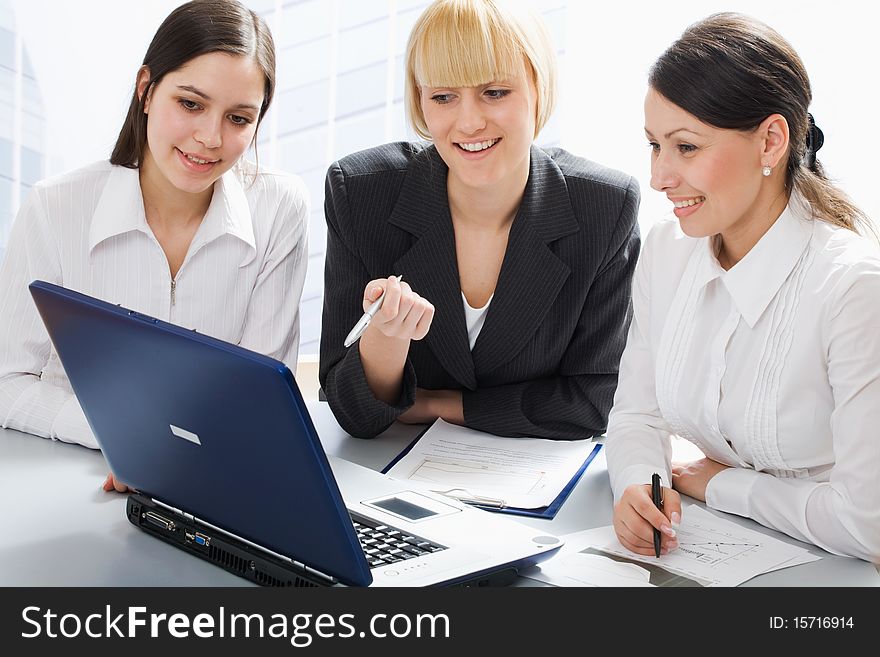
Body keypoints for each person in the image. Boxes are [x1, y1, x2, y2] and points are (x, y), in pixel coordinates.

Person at [606, 13, 880, 562]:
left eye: (686, 147)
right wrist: (638, 482)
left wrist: (718, 484)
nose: (659, 176)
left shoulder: (853, 289)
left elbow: (868, 525)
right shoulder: (667, 249)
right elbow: (637, 414)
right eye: (654, 145)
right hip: (711, 552)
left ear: (771, 142)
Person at [0, 0, 309, 480]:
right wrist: (123, 436)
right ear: (146, 90)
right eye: (191, 103)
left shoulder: (280, 206)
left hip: (217, 478)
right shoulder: (55, 206)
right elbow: (6, 381)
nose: (209, 137)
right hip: (68, 473)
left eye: (239, 118)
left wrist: (174, 455)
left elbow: (262, 398)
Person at [319, 0, 640, 440]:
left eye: (495, 92)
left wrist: (441, 405)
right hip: (386, 473)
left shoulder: (604, 207)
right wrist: (387, 340)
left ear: (538, 90)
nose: (469, 122)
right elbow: (348, 410)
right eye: (444, 97)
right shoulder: (359, 193)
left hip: (538, 482)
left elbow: (592, 401)